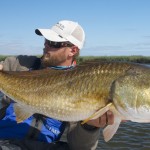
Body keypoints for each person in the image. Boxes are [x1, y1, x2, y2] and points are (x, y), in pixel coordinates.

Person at [0, 20, 114, 150]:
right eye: (46, 40)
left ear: (73, 50)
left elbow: (80, 147)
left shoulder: (84, 85)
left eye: (53, 43)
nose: (46, 45)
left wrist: (89, 126)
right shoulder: (19, 64)